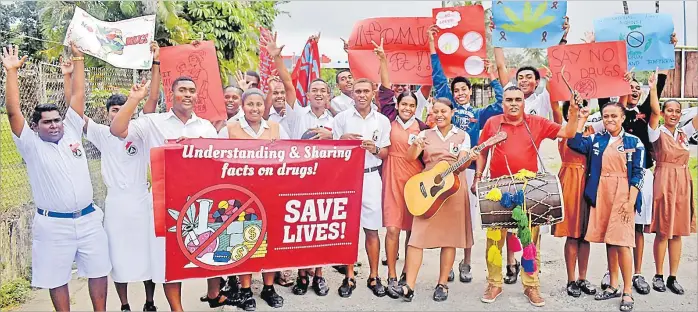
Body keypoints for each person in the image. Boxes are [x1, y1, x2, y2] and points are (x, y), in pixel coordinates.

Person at [3, 44, 111, 311]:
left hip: (88, 219)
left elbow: (78, 94)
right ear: (36, 126)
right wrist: (11, 72)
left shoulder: (72, 131)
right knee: (56, 278)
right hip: (53, 225)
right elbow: (13, 112)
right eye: (47, 122)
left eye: (56, 120)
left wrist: (79, 58)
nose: (53, 125)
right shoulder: (30, 144)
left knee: (99, 270)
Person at [60, 42, 161, 311]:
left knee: (146, 256)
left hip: (142, 201)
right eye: (114, 111)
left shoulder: (140, 131)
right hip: (116, 205)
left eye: (123, 109)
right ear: (107, 114)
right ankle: (125, 305)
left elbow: (151, 100)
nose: (118, 114)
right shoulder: (102, 134)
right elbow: (74, 112)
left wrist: (156, 63)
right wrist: (68, 76)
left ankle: (150, 303)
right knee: (118, 259)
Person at [110, 76, 219, 311]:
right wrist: (134, 99)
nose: (188, 94)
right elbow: (117, 130)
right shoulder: (152, 122)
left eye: (192, 90)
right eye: (182, 90)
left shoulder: (206, 127)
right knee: (168, 259)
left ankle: (214, 293)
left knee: (206, 248)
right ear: (172, 94)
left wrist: (199, 144)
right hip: (164, 201)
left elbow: (219, 160)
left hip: (200, 201)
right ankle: (176, 308)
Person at [474, 86, 582, 307]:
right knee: (494, 242)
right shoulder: (492, 123)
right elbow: (482, 151)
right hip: (498, 189)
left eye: (518, 99)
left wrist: (572, 112)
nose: (513, 103)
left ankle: (531, 286)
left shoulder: (537, 122)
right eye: (509, 100)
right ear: (502, 102)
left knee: (529, 242)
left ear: (524, 102)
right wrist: (477, 176)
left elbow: (568, 133)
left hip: (528, 189)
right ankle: (494, 283)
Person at [592, 33, 679, 293]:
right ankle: (613, 274)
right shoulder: (612, 115)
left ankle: (638, 273)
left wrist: (666, 48)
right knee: (613, 228)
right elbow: (606, 90)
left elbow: (658, 89)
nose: (633, 91)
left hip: (638, 179)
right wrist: (600, 49)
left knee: (637, 227)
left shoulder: (645, 117)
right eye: (629, 88)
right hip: (611, 179)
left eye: (636, 89)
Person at [427, 24, 504, 283]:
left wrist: (493, 76)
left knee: (468, 219)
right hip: (445, 171)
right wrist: (432, 45)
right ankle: (446, 265)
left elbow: (502, 102)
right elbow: (438, 77)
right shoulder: (446, 108)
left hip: (469, 171)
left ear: (470, 92)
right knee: (446, 217)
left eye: (464, 90)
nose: (460, 93)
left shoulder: (480, 114)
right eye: (456, 90)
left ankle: (466, 262)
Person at [398, 97, 478, 302]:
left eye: (444, 111)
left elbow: (460, 166)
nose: (439, 115)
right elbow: (410, 157)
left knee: (448, 239)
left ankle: (442, 283)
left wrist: (469, 157)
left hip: (453, 191)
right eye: (436, 111)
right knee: (416, 239)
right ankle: (409, 285)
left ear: (452, 113)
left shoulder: (463, 136)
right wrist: (416, 145)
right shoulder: (424, 134)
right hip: (427, 191)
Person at [567, 102, 645, 312]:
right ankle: (613, 285)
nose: (609, 119)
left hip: (623, 193)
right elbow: (573, 142)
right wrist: (582, 118)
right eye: (606, 116)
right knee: (610, 240)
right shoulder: (596, 139)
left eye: (614, 116)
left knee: (622, 242)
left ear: (622, 118)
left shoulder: (633, 142)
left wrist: (630, 201)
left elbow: (638, 173)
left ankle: (627, 291)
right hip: (601, 192)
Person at [218, 88, 289, 309]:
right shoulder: (229, 129)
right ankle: (246, 289)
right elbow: (215, 158)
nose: (255, 109)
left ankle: (268, 287)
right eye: (250, 104)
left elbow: (291, 156)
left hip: (272, 195)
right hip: (242, 198)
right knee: (245, 241)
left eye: (259, 104)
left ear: (264, 107)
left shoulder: (277, 128)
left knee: (272, 242)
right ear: (243, 106)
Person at [373, 39, 430, 298]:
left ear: (416, 108)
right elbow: (385, 89)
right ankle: (392, 275)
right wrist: (383, 60)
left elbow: (431, 156)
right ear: (397, 105)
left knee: (410, 229)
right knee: (393, 228)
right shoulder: (388, 118)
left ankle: (408, 272)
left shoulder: (422, 127)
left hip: (414, 181)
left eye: (411, 105)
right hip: (391, 177)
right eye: (403, 104)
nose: (406, 108)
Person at [333, 77, 392, 298]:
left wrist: (375, 148)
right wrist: (342, 140)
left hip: (370, 178)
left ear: (373, 92)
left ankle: (374, 276)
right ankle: (349, 275)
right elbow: (332, 151)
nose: (361, 95)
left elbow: (386, 153)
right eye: (357, 91)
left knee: (372, 229)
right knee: (348, 230)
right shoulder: (341, 119)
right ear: (352, 93)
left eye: (365, 91)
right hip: (347, 178)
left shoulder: (382, 121)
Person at [646, 74, 697, 295]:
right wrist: (654, 89)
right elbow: (655, 111)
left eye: (677, 111)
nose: (674, 114)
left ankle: (672, 276)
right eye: (670, 110)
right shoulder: (656, 131)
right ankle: (658, 274)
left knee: (677, 232)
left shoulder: (684, 134)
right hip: (664, 179)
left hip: (683, 182)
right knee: (664, 231)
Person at [551, 100, 597, 298]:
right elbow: (573, 142)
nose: (579, 114)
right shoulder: (565, 131)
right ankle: (571, 279)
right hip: (570, 181)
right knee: (572, 233)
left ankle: (582, 277)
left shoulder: (591, 131)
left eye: (581, 109)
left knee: (585, 235)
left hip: (587, 180)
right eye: (574, 111)